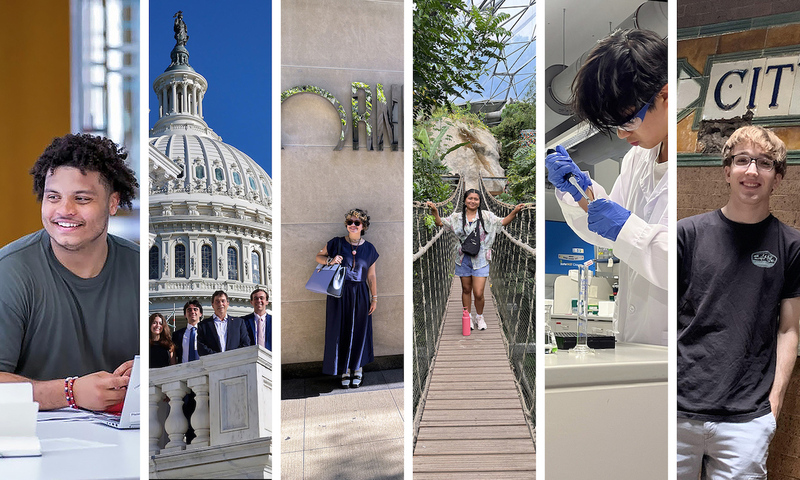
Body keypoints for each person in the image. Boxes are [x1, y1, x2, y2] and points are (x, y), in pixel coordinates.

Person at [677, 126, 800, 479]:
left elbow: (789, 329)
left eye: (764, 163)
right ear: (726, 171)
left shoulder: (791, 246)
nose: (751, 170)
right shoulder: (689, 234)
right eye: (742, 160)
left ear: (777, 178)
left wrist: (773, 403)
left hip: (747, 420)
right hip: (677, 410)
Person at [544, 28, 668, 345]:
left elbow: (687, 263)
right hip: (634, 339)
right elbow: (606, 230)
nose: (623, 135)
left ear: (665, 96)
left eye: (627, 121)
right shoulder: (637, 160)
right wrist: (579, 194)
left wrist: (624, 227)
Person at [0, 133, 139, 411]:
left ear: (113, 203)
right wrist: (70, 391)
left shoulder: (140, 269)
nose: (64, 210)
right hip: (36, 442)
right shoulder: (9, 271)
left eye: (82, 199)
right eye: (53, 197)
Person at [427, 190, 525, 331]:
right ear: (465, 200)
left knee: (478, 292)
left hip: (481, 259)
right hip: (463, 258)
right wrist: (435, 211)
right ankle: (468, 317)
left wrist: (514, 212)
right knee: (466, 289)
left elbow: (502, 222)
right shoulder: (457, 217)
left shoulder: (487, 216)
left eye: (476, 199)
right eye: (470, 198)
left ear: (480, 201)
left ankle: (480, 316)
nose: (473, 201)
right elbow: (440, 223)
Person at [316, 208, 378, 388]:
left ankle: (357, 368)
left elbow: (372, 276)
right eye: (350, 222)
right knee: (340, 330)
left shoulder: (369, 248)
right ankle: (344, 369)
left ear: (363, 226)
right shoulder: (335, 243)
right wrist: (330, 260)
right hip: (339, 293)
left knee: (359, 330)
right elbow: (319, 256)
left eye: (357, 223)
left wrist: (374, 298)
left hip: (360, 293)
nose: (352, 225)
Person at [196, 290, 250, 355]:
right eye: (217, 301)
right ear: (212, 305)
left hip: (235, 362)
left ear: (228, 303)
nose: (220, 304)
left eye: (223, 301)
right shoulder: (203, 325)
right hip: (213, 363)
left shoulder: (239, 323)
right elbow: (201, 348)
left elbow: (245, 344)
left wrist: (231, 357)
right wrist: (218, 358)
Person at [172, 299, 203, 364]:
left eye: (195, 309)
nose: (192, 312)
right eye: (189, 310)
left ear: (200, 314)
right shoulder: (177, 335)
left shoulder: (207, 332)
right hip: (184, 371)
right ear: (185, 315)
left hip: (204, 369)